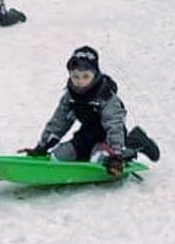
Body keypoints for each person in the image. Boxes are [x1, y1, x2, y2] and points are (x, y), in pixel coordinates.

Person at [21, 46, 159, 175]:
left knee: (98, 161)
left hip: (109, 138)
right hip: (86, 136)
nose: (80, 81)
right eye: (75, 77)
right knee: (58, 156)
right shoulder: (70, 97)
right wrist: (42, 147)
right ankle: (88, 153)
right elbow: (58, 122)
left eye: (85, 76)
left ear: (95, 74)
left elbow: (114, 124)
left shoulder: (106, 97)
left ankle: (135, 142)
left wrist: (115, 154)